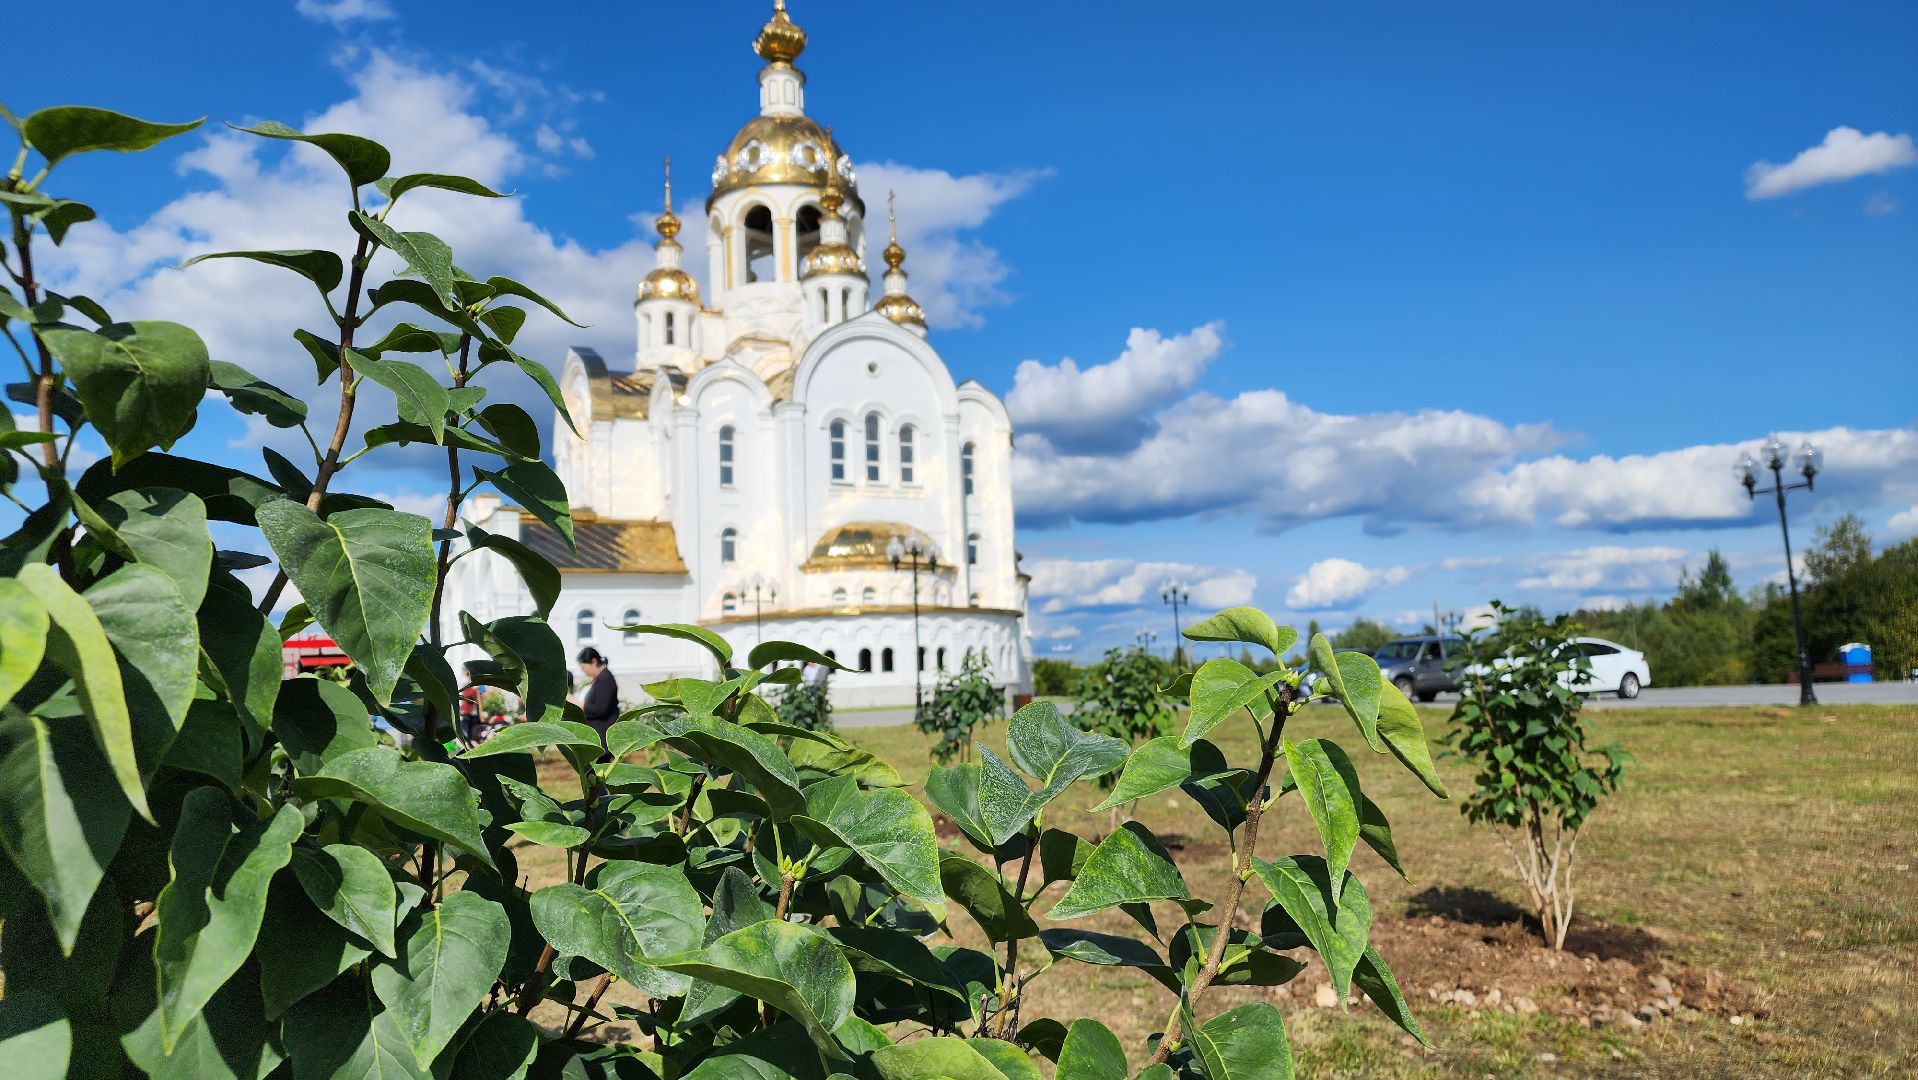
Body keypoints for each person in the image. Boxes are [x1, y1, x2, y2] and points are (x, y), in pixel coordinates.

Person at [573, 646, 619, 747]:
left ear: (593, 662)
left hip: (603, 738)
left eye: (584, 668)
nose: (583, 672)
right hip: (599, 737)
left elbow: (600, 709)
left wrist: (579, 704)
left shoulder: (605, 679)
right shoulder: (599, 678)